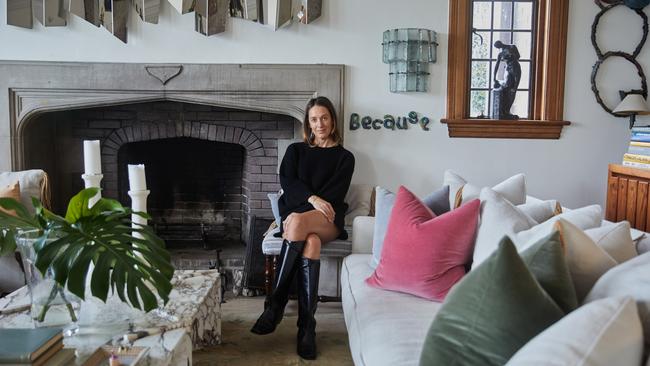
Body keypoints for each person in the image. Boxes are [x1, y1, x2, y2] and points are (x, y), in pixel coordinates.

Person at [250, 96, 355, 360]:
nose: (320, 124)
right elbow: (288, 181)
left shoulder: (345, 157)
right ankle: (306, 327)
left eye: (324, 118)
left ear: (333, 120)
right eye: (314, 119)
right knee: (311, 243)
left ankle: (275, 304)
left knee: (297, 221)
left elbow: (333, 196)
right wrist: (311, 198)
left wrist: (313, 204)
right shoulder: (296, 151)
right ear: (308, 123)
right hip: (302, 215)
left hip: (329, 219)